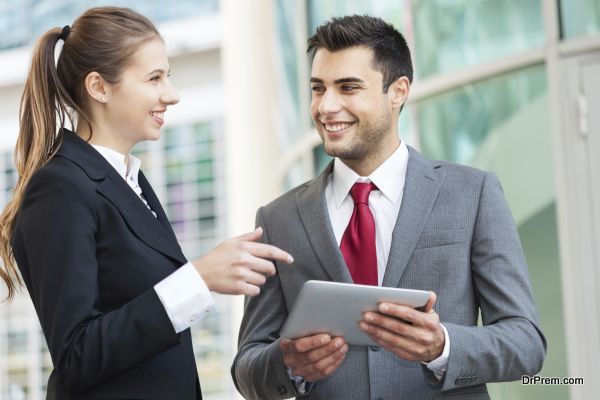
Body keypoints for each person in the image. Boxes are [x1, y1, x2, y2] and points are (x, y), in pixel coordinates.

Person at [232, 15, 546, 399]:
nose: (326, 106)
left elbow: (525, 342)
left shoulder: (472, 193)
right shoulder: (278, 219)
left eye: (348, 87)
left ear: (397, 91)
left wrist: (442, 346)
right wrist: (287, 363)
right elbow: (246, 368)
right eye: (318, 88)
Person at [0, 7, 293, 400]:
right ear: (99, 87)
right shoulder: (60, 187)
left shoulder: (129, 180)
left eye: (167, 77)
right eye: (154, 78)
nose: (170, 95)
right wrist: (198, 279)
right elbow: (76, 355)